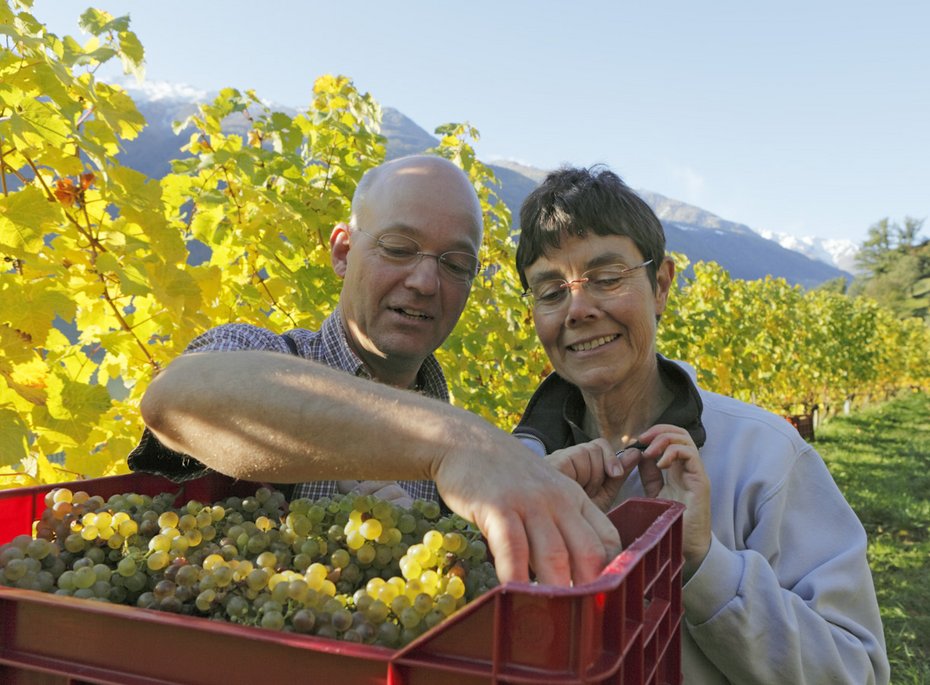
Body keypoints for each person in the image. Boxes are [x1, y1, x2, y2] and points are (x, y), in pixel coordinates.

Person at [132, 154, 620, 587]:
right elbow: (174, 396)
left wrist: (509, 512)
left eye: (456, 263)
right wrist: (450, 441)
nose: (426, 281)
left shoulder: (463, 466)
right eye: (398, 248)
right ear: (343, 252)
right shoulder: (266, 353)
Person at [511, 165, 890, 684]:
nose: (578, 308)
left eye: (606, 279)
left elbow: (857, 673)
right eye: (551, 290)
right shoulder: (515, 468)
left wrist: (703, 563)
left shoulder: (770, 458)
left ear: (661, 286)